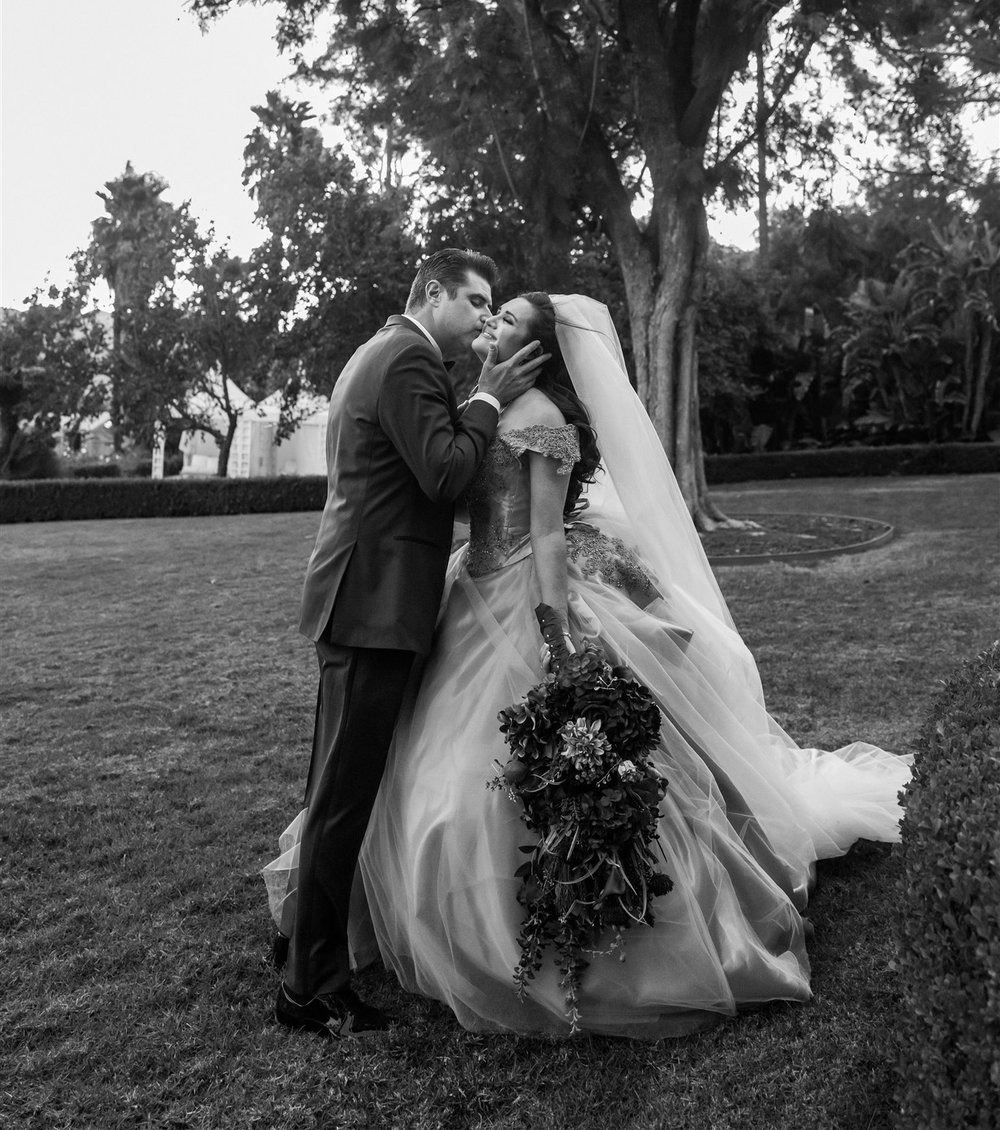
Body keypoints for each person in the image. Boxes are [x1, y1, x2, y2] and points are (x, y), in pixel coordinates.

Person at [265, 292, 911, 1039]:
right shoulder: (480, 400)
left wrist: (552, 634)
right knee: (418, 770)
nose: (489, 324)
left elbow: (544, 539)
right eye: (486, 309)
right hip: (463, 589)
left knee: (490, 777)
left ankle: (567, 929)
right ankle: (362, 922)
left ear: (539, 351)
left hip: (519, 598)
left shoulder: (540, 416)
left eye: (504, 318)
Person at [271, 250, 547, 1038]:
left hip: (366, 599)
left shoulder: (388, 352)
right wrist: (491, 394)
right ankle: (309, 991)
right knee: (342, 798)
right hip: (374, 606)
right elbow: (447, 476)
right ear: (433, 293)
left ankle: (297, 940)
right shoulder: (407, 361)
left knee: (337, 790)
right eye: (478, 301)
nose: (488, 318)